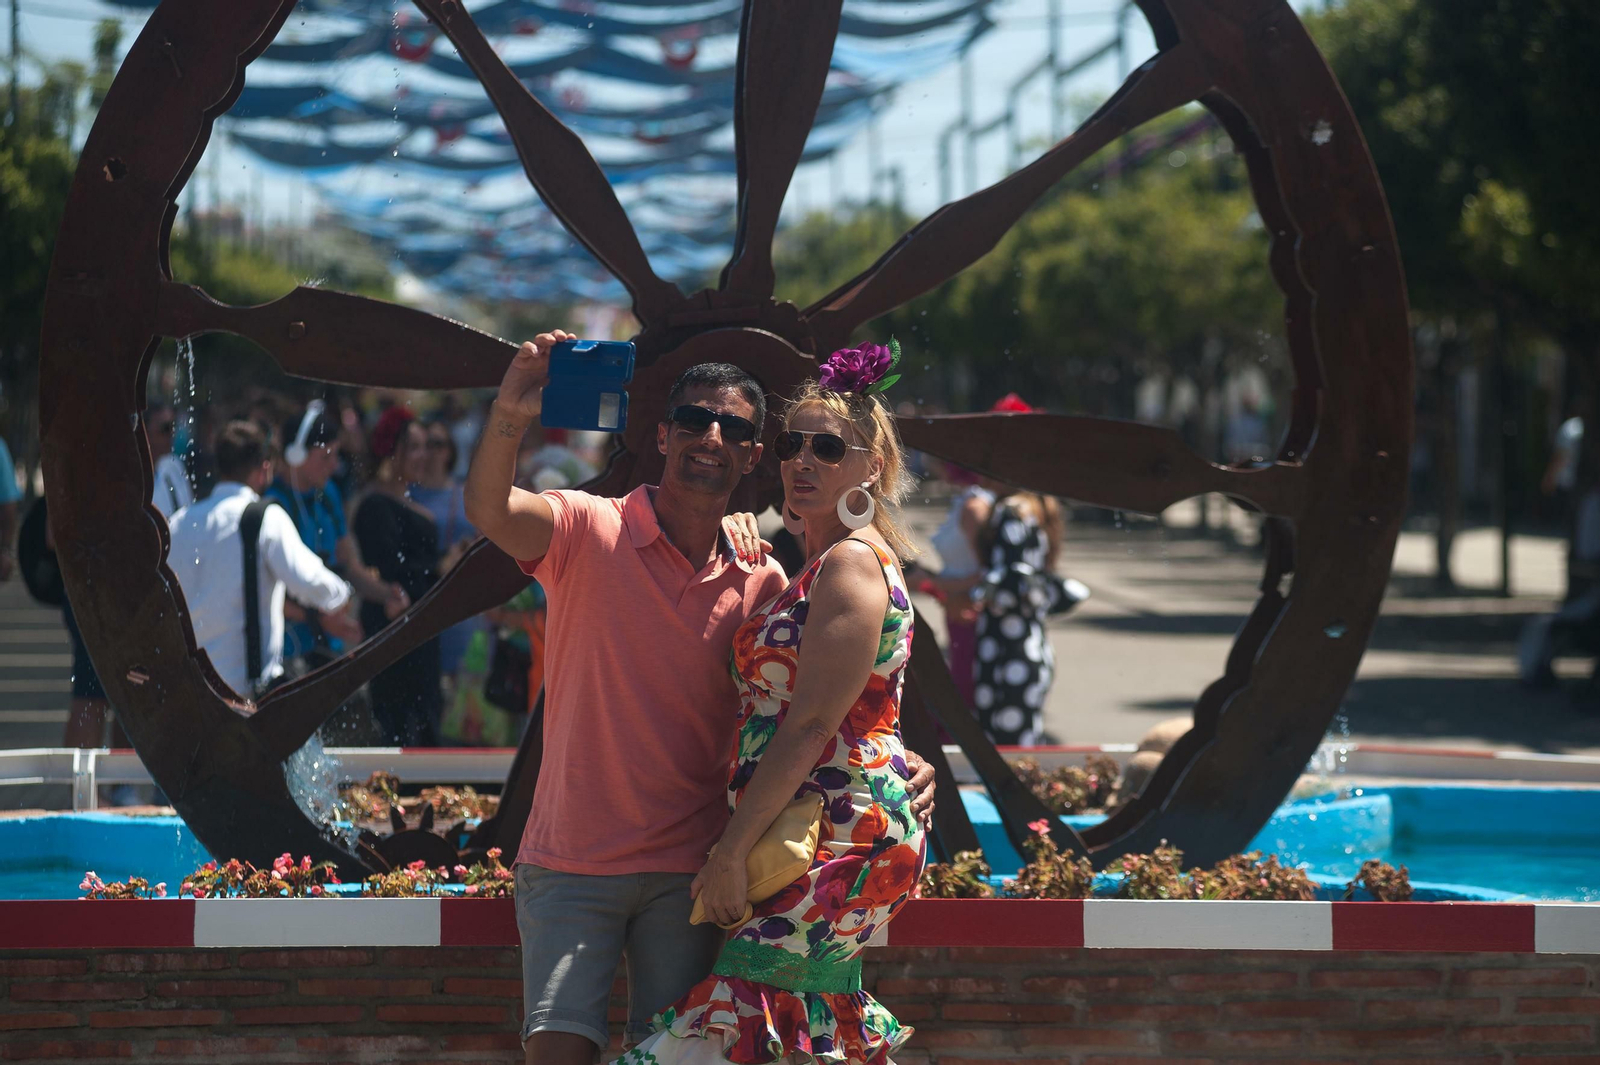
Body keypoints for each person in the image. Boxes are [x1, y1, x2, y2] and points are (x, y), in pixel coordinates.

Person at [465, 330, 936, 1065]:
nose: (712, 437)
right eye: (693, 419)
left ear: (750, 456)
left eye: (739, 430)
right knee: (588, 1049)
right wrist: (509, 415)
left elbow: (824, 711)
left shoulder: (770, 577)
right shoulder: (589, 528)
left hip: (698, 864)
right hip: (575, 858)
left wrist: (891, 761)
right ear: (663, 434)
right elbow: (492, 510)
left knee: (710, 1040)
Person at [621, 355, 927, 1065]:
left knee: (743, 1007)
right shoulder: (819, 565)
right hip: (814, 822)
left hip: (839, 832)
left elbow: (816, 723)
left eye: (828, 447)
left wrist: (729, 853)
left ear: (873, 466)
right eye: (791, 444)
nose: (802, 461)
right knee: (793, 1023)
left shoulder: (851, 563)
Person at [166, 421, 361, 698]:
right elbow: (311, 582)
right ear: (265, 468)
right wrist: (343, 596)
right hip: (243, 697)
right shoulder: (265, 518)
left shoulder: (179, 523)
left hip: (186, 692)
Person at [266, 401, 406, 666]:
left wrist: (388, 594)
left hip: (328, 648)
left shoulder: (329, 494)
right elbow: (267, 589)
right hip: (286, 650)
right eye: (326, 457)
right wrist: (318, 619)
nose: (334, 465)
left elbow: (348, 565)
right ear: (296, 454)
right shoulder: (271, 504)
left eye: (336, 456)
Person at [353, 407, 449, 745]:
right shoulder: (375, 505)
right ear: (392, 451)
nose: (423, 456)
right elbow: (391, 568)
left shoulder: (409, 504)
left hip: (422, 637)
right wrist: (440, 567)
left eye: (427, 447)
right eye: (414, 447)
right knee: (399, 733)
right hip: (393, 639)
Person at [410, 417, 482, 678]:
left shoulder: (467, 495)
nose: (429, 451)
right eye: (422, 445)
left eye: (437, 444)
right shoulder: (403, 494)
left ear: (449, 451)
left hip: (460, 605)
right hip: (418, 600)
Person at [147, 401, 193, 521]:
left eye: (173, 427)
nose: (172, 433)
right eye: (165, 428)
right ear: (145, 432)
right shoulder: (131, 480)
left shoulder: (174, 468)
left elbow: (187, 517)